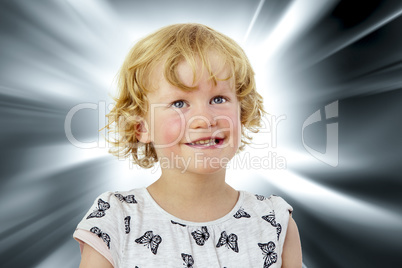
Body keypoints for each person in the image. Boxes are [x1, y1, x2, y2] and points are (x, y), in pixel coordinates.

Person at [73, 23, 302, 268]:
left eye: (218, 99)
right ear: (142, 126)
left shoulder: (274, 221)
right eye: (179, 103)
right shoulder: (114, 218)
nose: (204, 118)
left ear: (242, 112)